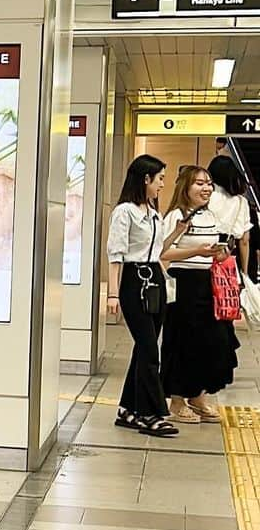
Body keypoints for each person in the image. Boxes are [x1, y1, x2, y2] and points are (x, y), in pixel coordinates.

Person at [106, 155, 194, 437]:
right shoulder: (125, 212)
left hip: (154, 278)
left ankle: (127, 409)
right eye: (160, 179)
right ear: (145, 179)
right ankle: (149, 413)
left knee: (144, 347)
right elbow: (116, 254)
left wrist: (177, 233)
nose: (162, 185)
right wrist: (113, 293)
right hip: (134, 280)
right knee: (148, 349)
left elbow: (158, 251)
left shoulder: (153, 213)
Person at [161, 165, 238, 422]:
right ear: (186, 187)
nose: (206, 189)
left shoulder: (211, 216)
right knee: (184, 341)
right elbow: (161, 252)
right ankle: (177, 400)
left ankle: (198, 395)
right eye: (199, 184)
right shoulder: (176, 216)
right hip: (184, 284)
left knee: (213, 341)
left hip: (210, 284)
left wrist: (220, 253)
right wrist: (195, 252)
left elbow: (213, 251)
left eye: (208, 183)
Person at [208, 154, 251, 277]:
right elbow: (244, 240)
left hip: (204, 253)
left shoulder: (207, 197)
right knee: (224, 293)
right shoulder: (241, 201)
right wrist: (245, 273)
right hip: (228, 256)